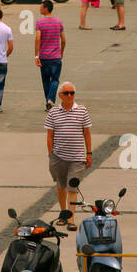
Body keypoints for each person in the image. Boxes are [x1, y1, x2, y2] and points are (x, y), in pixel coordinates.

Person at [45, 83, 92, 231]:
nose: (70, 96)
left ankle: (71, 218)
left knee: (72, 187)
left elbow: (87, 133)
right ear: (60, 95)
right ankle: (63, 213)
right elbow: (49, 135)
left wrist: (88, 153)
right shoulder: (53, 112)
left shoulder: (82, 110)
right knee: (61, 186)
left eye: (72, 93)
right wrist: (51, 154)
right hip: (58, 156)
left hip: (77, 157)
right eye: (67, 93)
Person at [34, 0, 66, 110]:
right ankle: (51, 100)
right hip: (56, 57)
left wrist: (36, 56)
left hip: (44, 57)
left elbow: (37, 39)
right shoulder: (59, 22)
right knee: (55, 79)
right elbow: (63, 40)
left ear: (46, 8)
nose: (39, 8)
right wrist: (61, 52)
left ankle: (48, 101)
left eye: (41, 7)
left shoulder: (39, 23)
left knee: (45, 80)